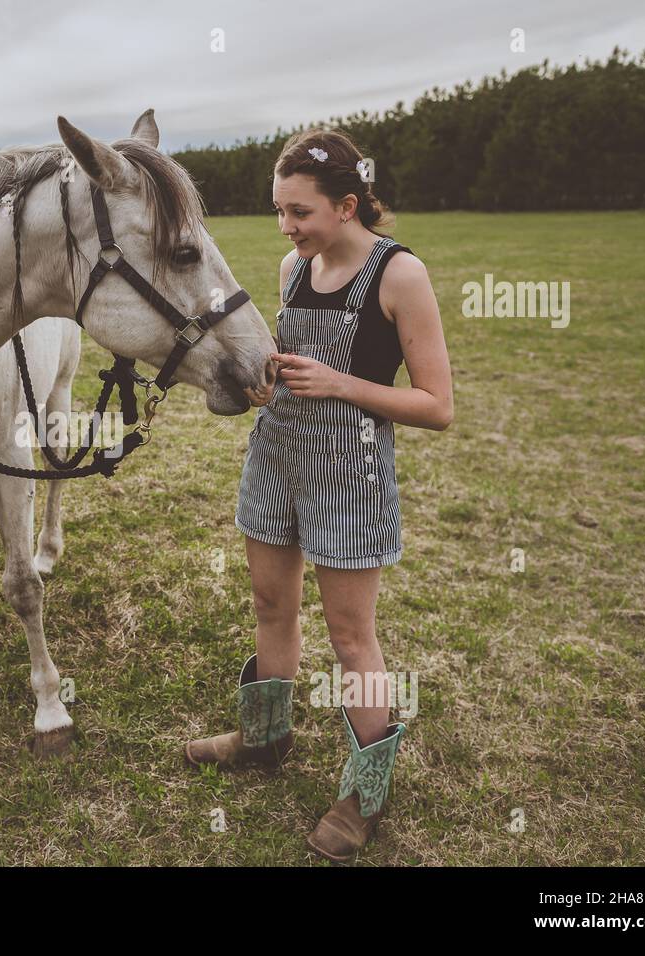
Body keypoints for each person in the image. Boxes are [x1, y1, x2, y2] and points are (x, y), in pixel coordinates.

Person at [184, 127, 454, 864]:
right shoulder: (290, 268)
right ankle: (265, 737)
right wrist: (270, 380)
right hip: (276, 456)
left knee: (349, 638)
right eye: (280, 211)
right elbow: (295, 363)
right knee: (271, 606)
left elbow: (438, 405)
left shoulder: (400, 276)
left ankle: (364, 796)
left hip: (350, 471)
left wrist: (340, 385)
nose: (286, 227)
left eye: (299, 212)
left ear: (346, 204)